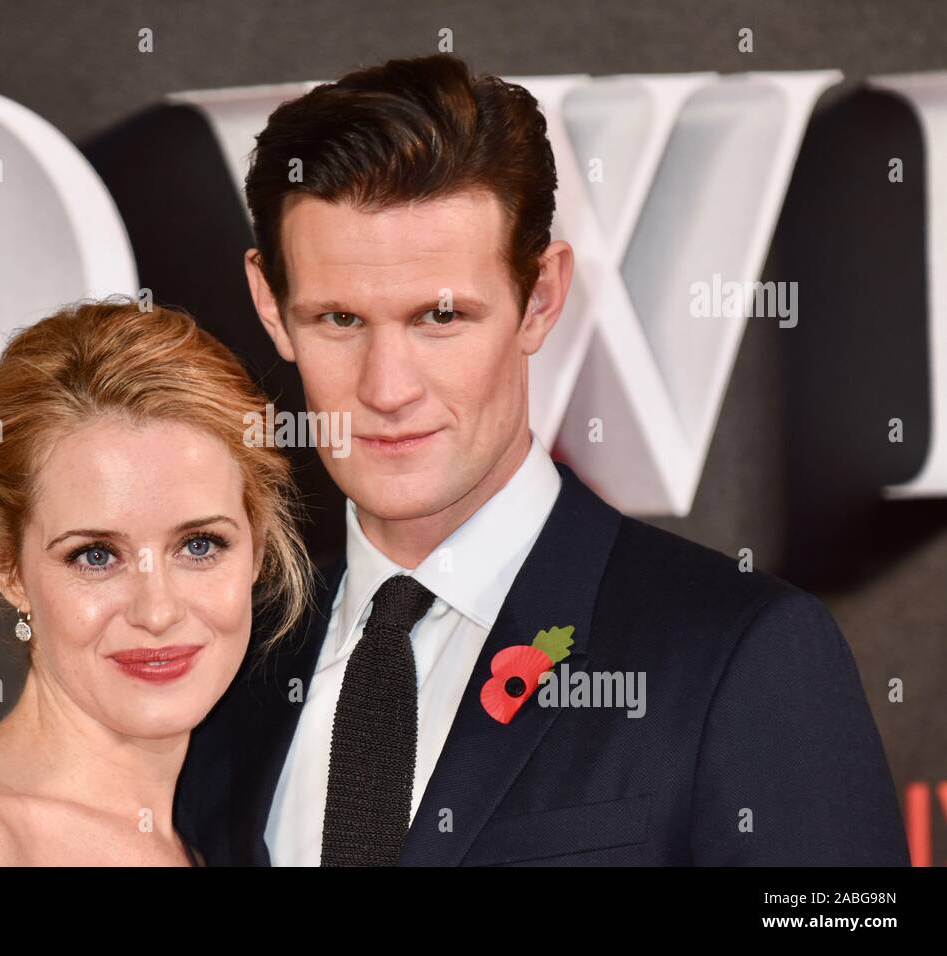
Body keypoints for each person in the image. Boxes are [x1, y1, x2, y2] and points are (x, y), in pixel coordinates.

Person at [173, 54, 910, 866]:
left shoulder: (743, 653)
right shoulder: (227, 657)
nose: (387, 389)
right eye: (340, 319)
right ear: (271, 308)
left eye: (441, 317)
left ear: (543, 298)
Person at [0, 298, 312, 866]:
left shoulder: (217, 837)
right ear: (7, 567)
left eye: (199, 546)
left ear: (256, 551)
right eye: (95, 556)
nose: (157, 610)